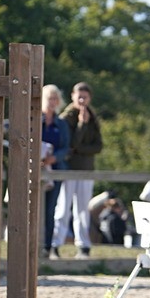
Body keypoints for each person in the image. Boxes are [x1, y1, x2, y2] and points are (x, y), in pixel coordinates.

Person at [52, 82, 104, 258]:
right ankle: (55, 244)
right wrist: (82, 125)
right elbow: (71, 144)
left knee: (82, 210)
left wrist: (80, 148)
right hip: (69, 169)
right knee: (63, 208)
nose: (82, 100)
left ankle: (83, 245)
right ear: (73, 96)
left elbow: (98, 146)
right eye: (79, 96)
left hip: (86, 169)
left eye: (85, 97)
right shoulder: (67, 117)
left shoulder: (92, 116)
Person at [40, 84, 71, 258]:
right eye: (49, 98)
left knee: (50, 209)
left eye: (55, 98)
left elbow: (66, 147)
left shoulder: (62, 123)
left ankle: (47, 246)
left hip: (55, 170)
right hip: (36, 168)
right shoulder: (35, 120)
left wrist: (54, 158)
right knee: (34, 207)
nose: (52, 102)